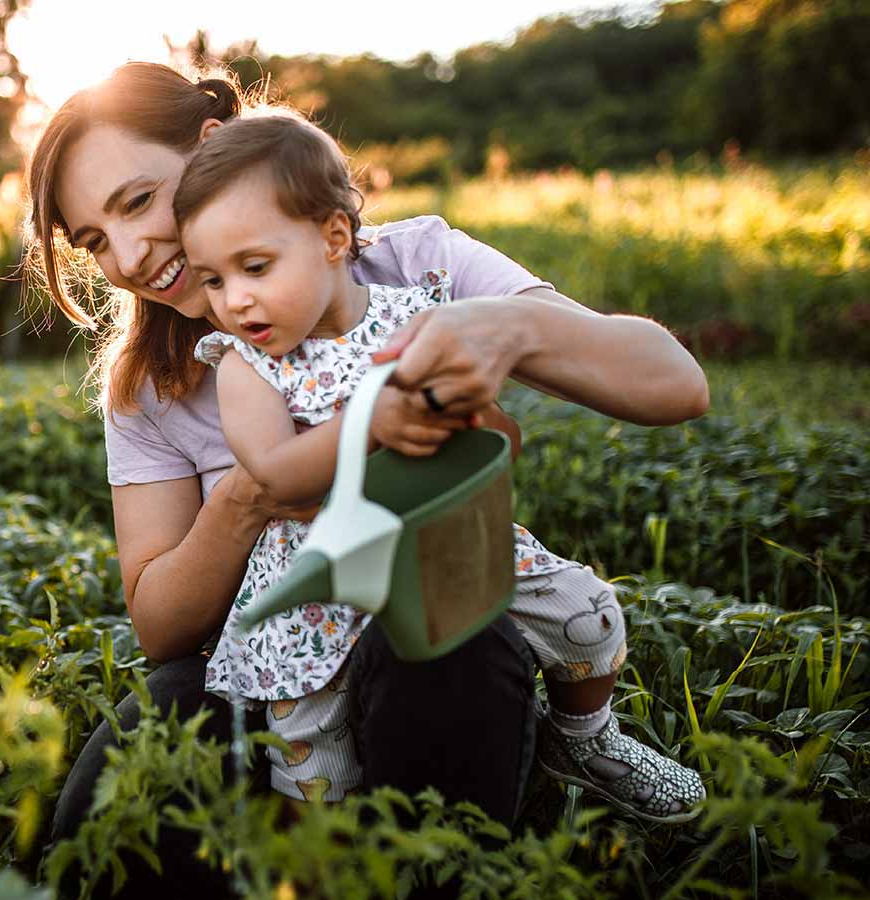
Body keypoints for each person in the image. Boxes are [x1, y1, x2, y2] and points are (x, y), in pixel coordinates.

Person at [25, 62, 710, 891]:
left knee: (443, 637)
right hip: (269, 662)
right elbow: (162, 630)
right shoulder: (150, 386)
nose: (128, 256)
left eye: (137, 202)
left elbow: (676, 384)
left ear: (211, 150)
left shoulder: (411, 267)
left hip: (423, 622)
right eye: (93, 240)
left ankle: (503, 803)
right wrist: (258, 490)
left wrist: (510, 327)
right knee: (110, 814)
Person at [173, 111, 705, 821]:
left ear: (334, 238)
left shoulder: (420, 315)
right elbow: (272, 472)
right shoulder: (246, 366)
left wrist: (474, 424)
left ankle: (583, 737)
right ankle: (329, 860)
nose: (234, 299)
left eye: (255, 268)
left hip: (446, 539)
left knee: (588, 620)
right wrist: (369, 420)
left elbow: (485, 426)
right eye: (212, 280)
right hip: (325, 579)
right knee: (311, 764)